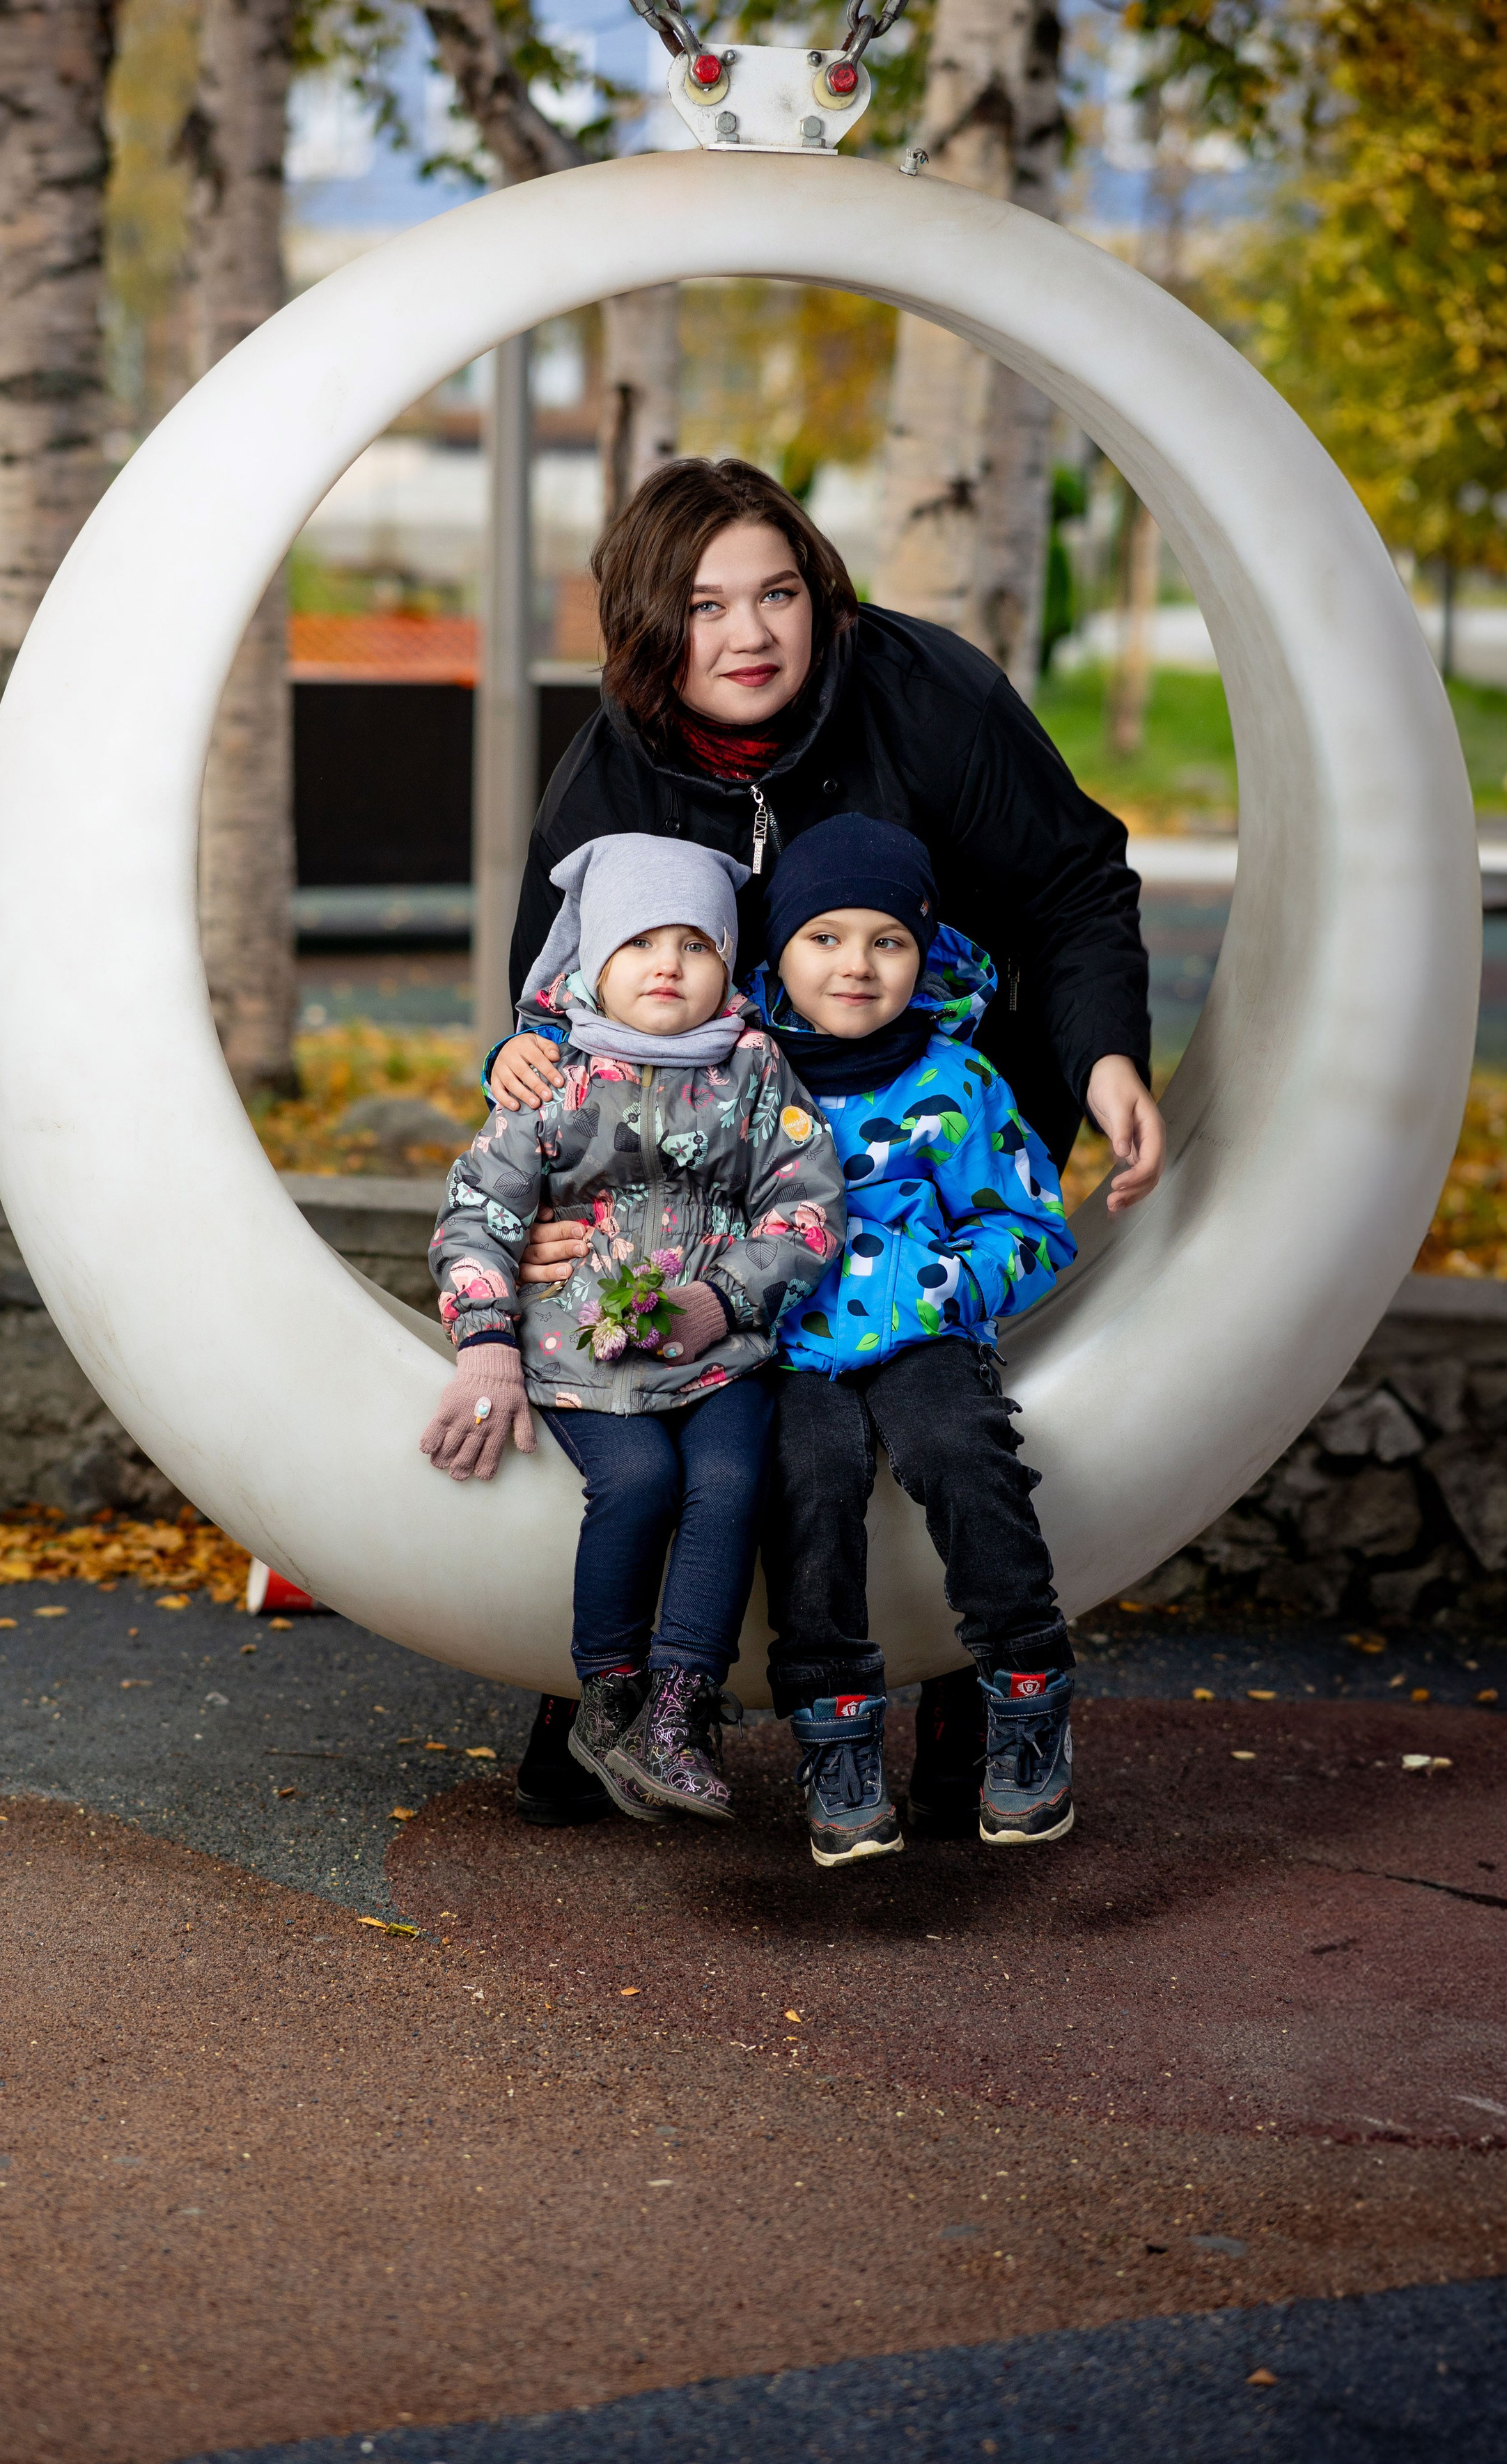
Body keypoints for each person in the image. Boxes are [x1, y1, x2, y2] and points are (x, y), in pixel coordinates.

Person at [500, 457, 1160, 1827]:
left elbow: (1071, 883)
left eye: (778, 594)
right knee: (725, 1409)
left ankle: (961, 1681)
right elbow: (553, 1011)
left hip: (932, 1118)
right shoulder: (609, 777)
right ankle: (613, 1686)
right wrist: (553, 1206)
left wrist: (1101, 1059)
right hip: (722, 1162)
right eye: (704, 605)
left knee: (937, 1401)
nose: (749, 634)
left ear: (822, 596)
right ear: (645, 629)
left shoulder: (929, 697)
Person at [420, 834, 843, 1823]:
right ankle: (607, 1692)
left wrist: (724, 1299)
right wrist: (486, 1343)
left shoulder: (752, 1070)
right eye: (640, 942)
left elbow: (808, 1204)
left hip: (715, 1350)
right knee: (639, 1480)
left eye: (696, 945)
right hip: (582, 1353)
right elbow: (477, 1212)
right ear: (593, 962)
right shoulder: (552, 1076)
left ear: (727, 964)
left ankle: (680, 1710)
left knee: (731, 1479)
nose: (669, 964)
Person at [748, 815, 1078, 1865]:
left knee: (959, 1449)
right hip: (787, 1347)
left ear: (924, 954)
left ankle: (1027, 1688)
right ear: (779, 950)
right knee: (806, 1479)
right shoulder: (737, 1074)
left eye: (887, 941)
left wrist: (941, 1285)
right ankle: (836, 1736)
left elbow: (1032, 1226)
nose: (856, 964)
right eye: (825, 937)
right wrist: (512, 1057)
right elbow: (614, 1110)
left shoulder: (958, 1083)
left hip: (922, 1334)